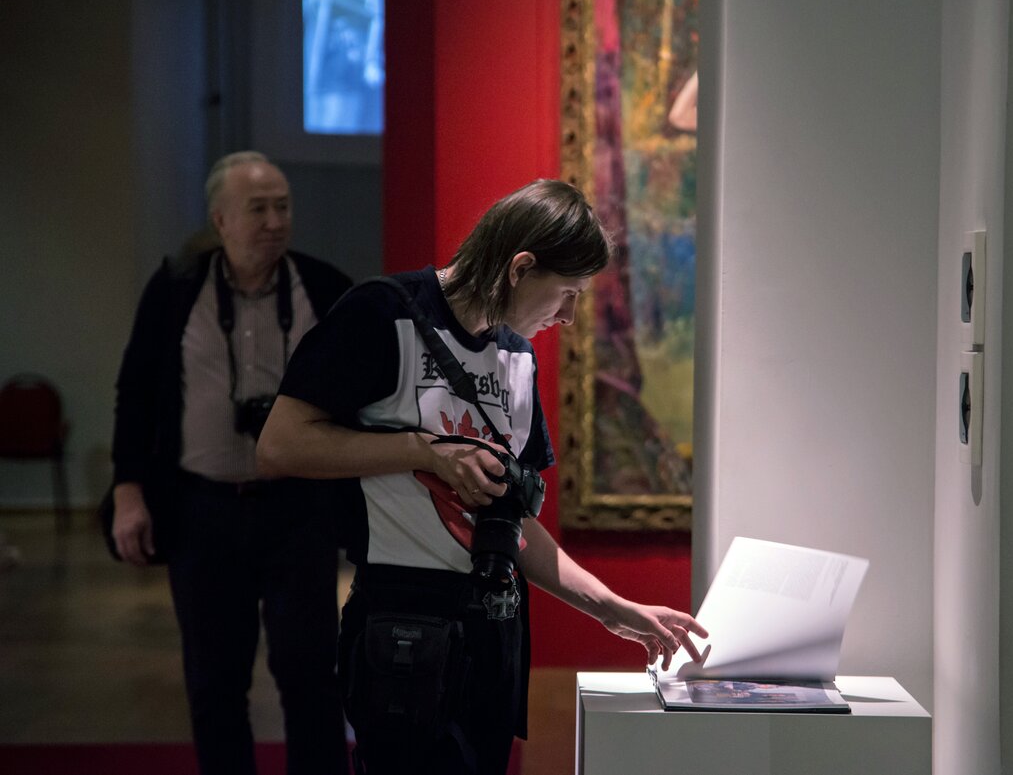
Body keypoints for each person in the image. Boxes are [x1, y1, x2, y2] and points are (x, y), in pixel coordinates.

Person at [256, 179, 707, 774]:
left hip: (494, 629)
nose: (569, 316)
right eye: (566, 293)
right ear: (521, 268)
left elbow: (511, 524)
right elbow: (279, 445)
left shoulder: (517, 355)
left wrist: (611, 608)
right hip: (401, 623)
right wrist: (425, 451)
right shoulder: (384, 313)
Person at [110, 151, 352, 775]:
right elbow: (136, 392)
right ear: (220, 220)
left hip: (299, 511)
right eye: (258, 209)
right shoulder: (175, 289)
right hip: (203, 512)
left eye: (283, 207)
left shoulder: (325, 287)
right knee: (214, 681)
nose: (275, 221)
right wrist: (129, 490)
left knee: (310, 676)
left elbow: (364, 396)